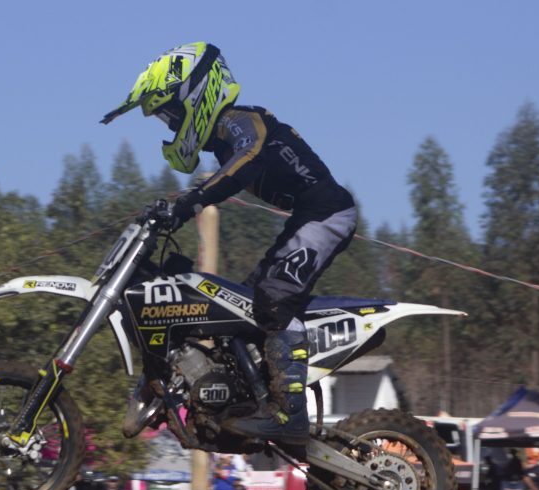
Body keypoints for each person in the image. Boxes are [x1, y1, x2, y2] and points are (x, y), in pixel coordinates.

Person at [102, 42, 357, 446]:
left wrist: (190, 202)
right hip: (305, 220)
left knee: (273, 299)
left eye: (170, 114)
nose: (170, 126)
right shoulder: (223, 139)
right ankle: (243, 398)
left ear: (196, 97)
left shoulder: (240, 121)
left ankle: (290, 414)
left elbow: (248, 159)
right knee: (242, 309)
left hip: (327, 214)